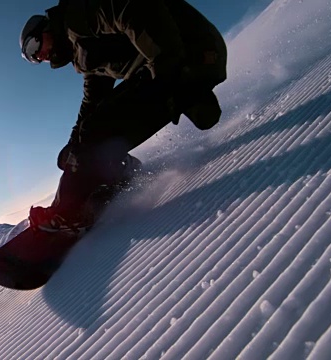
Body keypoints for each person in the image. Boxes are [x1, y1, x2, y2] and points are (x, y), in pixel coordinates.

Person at [20, 0, 227, 234]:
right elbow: (93, 100)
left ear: (46, 28)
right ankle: (117, 172)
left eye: (34, 46)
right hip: (174, 65)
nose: (39, 56)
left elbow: (133, 8)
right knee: (88, 134)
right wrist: (73, 143)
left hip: (188, 54)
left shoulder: (77, 15)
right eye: (32, 57)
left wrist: (167, 71)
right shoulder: (82, 51)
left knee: (95, 130)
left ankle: (68, 214)